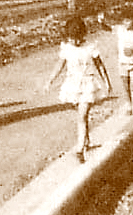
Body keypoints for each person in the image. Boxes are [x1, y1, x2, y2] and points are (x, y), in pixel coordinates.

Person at [45, 16, 112, 163]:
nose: (74, 41)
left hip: (88, 84)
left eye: (77, 38)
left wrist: (107, 82)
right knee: (82, 116)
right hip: (73, 86)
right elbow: (60, 64)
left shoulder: (90, 47)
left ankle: (80, 149)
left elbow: (100, 65)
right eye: (71, 38)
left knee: (82, 116)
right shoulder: (67, 48)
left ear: (83, 34)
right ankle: (87, 142)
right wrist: (50, 79)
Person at [97, 6, 133, 115]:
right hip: (123, 64)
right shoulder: (120, 30)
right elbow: (107, 28)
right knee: (126, 87)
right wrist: (101, 21)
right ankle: (129, 106)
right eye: (124, 20)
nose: (126, 23)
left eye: (129, 20)